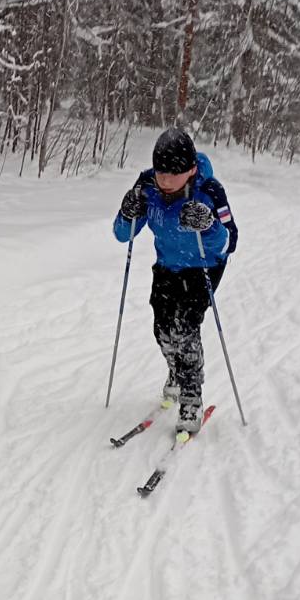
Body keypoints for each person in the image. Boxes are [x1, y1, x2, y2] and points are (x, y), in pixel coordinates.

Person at [113, 127, 238, 432]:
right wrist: (127, 213)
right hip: (167, 265)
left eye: (174, 173)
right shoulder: (147, 186)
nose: (165, 180)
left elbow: (229, 242)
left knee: (184, 327)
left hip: (203, 267)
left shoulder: (209, 191)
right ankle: (176, 373)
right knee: (162, 330)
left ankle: (191, 397)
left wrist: (208, 226)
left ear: (192, 169)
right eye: (160, 172)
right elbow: (122, 234)